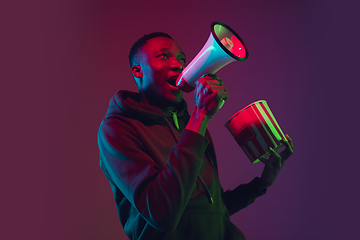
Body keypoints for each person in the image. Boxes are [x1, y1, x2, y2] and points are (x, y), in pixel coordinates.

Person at [97, 32, 294, 240]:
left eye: (182, 59)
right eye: (163, 56)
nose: (179, 65)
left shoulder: (190, 125)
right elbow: (163, 214)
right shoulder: (117, 128)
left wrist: (260, 184)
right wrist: (200, 116)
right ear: (138, 71)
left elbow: (210, 211)